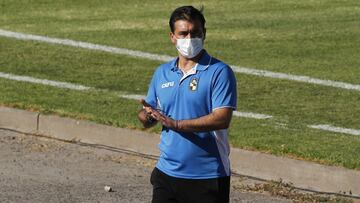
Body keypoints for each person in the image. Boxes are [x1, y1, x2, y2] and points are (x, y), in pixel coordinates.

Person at [137, 5, 237, 203]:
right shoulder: (162, 72)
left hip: (207, 176)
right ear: (172, 37)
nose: (189, 39)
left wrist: (177, 124)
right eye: (183, 33)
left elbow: (222, 119)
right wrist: (148, 115)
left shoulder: (219, 72)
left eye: (195, 33)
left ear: (204, 34)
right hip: (167, 172)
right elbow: (147, 118)